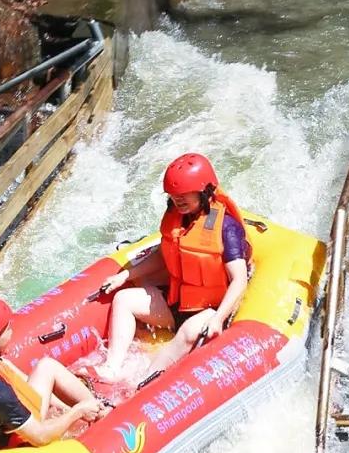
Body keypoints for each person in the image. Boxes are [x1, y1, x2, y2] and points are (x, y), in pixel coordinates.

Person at [98, 153, 251, 381]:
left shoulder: (226, 227)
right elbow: (165, 254)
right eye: (173, 195)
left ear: (204, 191)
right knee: (124, 299)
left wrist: (218, 318)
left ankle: (141, 384)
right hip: (176, 301)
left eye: (183, 195)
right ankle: (111, 370)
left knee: (188, 333)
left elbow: (239, 278)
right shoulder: (177, 216)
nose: (177, 200)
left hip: (210, 307)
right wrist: (126, 275)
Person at [0, 294, 107, 452]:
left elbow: (17, 380)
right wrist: (77, 411)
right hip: (15, 443)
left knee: (46, 367)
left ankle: (95, 408)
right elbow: (39, 437)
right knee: (49, 369)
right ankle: (103, 414)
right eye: (6, 328)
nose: (12, 330)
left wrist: (61, 406)